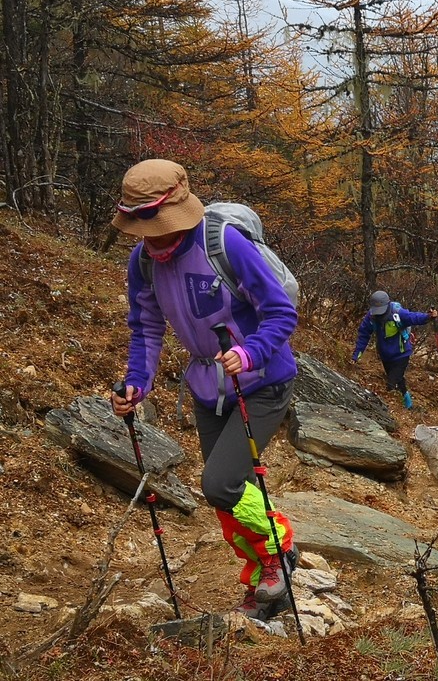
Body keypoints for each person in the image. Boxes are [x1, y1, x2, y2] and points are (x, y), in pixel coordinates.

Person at [109, 159, 299, 621]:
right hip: (207, 388)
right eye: (143, 230)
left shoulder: (224, 243)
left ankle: (281, 552)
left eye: (159, 228)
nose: (152, 240)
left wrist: (251, 352)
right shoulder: (143, 263)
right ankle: (262, 579)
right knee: (232, 493)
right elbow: (146, 328)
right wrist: (137, 383)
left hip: (264, 380)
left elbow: (280, 312)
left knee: (220, 484)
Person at [352, 290, 437, 409]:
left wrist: (428, 317)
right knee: (398, 379)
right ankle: (408, 404)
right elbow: (363, 335)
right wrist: (357, 355)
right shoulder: (371, 317)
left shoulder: (397, 313)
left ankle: (392, 408)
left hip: (401, 354)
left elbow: (413, 317)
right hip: (385, 355)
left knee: (391, 384)